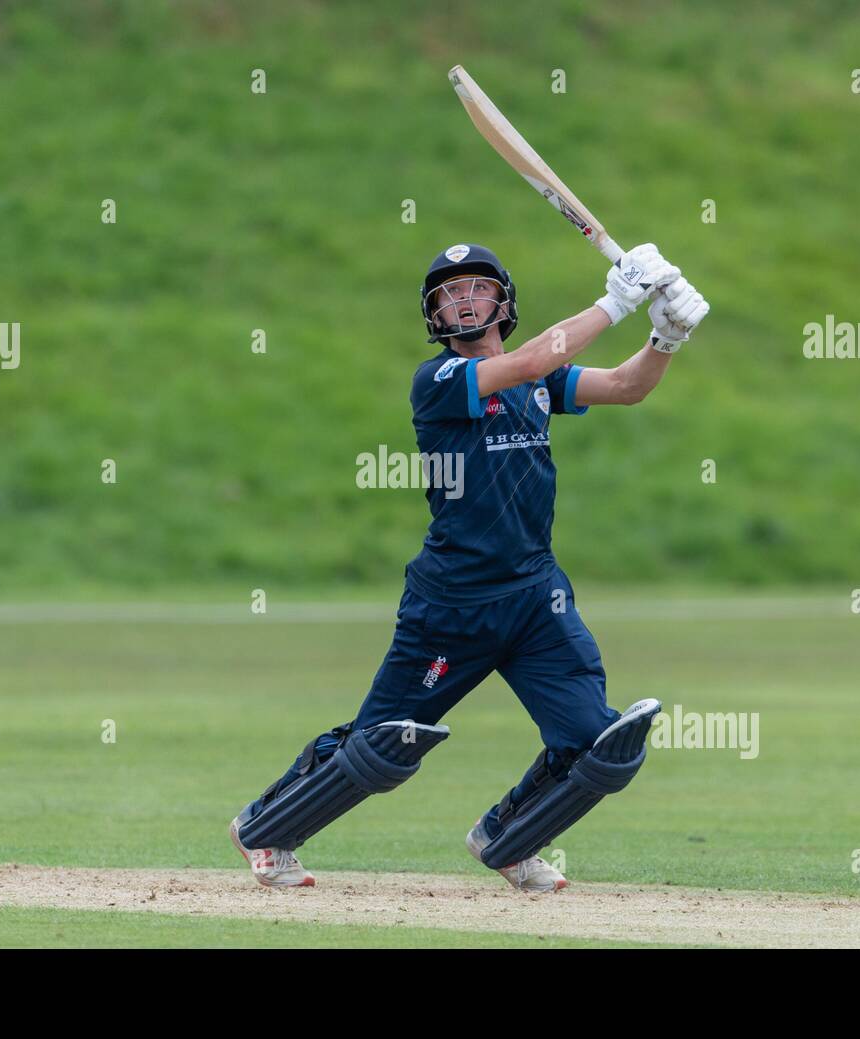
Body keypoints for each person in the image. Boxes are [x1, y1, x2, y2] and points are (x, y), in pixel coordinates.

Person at [231, 242, 709, 891]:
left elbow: (626, 386)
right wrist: (618, 299)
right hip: (452, 600)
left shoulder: (536, 381)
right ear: (433, 315)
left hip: (537, 596)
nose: (461, 300)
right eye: (447, 293)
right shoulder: (439, 382)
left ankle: (510, 839)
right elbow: (536, 357)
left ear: (503, 302)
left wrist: (666, 334)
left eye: (476, 288)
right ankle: (265, 828)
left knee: (597, 741)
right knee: (381, 744)